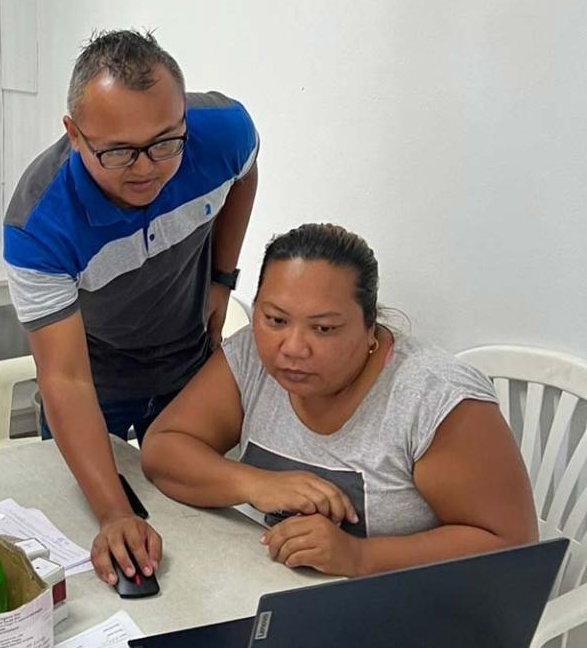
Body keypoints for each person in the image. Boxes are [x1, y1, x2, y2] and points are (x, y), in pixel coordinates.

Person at [3, 29, 259, 585]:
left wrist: (222, 278)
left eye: (166, 143)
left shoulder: (223, 133)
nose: (145, 169)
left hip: (190, 362)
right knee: (104, 542)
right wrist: (115, 513)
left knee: (207, 539)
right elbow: (64, 380)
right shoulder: (39, 224)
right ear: (74, 135)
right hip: (96, 377)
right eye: (117, 152)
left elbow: (245, 170)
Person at [141, 223, 538, 575]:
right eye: (275, 320)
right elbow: (163, 450)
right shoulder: (252, 358)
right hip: (270, 591)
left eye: (325, 328)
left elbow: (512, 547)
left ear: (370, 326)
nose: (293, 348)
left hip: (411, 615)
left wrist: (360, 557)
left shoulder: (434, 398)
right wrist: (256, 484)